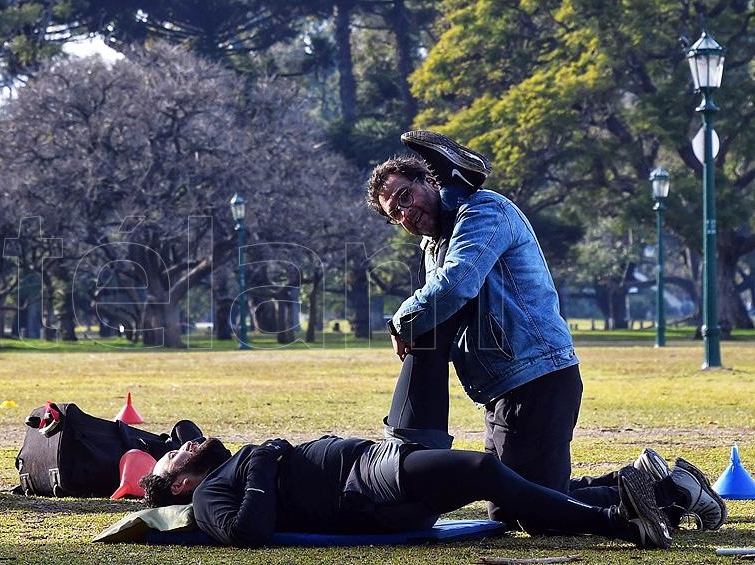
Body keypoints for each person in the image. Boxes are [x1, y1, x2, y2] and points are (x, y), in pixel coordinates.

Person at [363, 131, 724, 531]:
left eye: (404, 197)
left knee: (536, 511)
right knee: (507, 507)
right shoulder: (436, 245)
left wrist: (401, 320)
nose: (404, 214)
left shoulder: (484, 212)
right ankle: (646, 481)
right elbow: (445, 306)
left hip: (537, 375)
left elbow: (456, 285)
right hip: (501, 387)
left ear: (430, 181)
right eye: (394, 214)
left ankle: (674, 493)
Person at [139, 435, 674, 549]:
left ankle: (655, 499)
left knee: (493, 483)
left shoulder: (227, 468)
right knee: (482, 467)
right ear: (180, 485)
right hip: (365, 486)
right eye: (174, 455)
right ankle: (621, 522)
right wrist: (259, 462)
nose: (184, 443)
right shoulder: (209, 497)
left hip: (375, 481)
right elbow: (249, 533)